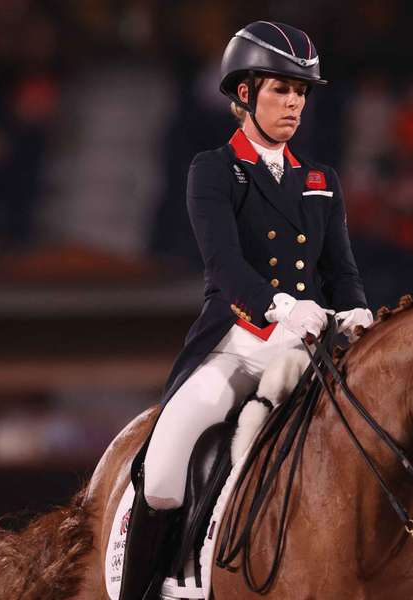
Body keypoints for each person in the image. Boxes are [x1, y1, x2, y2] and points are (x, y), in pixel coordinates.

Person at [119, 21, 373, 600]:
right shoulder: (214, 170)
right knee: (161, 470)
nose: (295, 103)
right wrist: (281, 305)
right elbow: (225, 268)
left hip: (310, 345)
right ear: (244, 95)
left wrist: (356, 312)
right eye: (281, 89)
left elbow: (342, 271)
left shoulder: (320, 181)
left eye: (302, 92)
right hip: (237, 340)